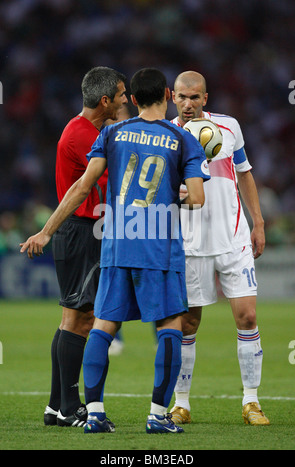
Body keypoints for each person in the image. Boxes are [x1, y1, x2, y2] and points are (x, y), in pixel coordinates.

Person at [20, 67, 210, 434]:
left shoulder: (111, 134)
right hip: (159, 246)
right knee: (171, 325)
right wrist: (175, 194)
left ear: (134, 99)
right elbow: (197, 199)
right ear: (169, 96)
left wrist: (46, 230)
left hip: (116, 243)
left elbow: (81, 187)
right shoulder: (182, 137)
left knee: (103, 325)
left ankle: (92, 413)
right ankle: (157, 416)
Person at [169, 71, 269, 426]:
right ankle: (181, 403)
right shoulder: (166, 136)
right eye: (182, 97)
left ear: (205, 99)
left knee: (248, 317)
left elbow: (244, 173)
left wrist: (257, 222)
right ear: (171, 97)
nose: (188, 103)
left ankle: (252, 402)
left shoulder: (229, 127)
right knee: (188, 323)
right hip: (190, 242)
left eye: (195, 97)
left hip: (233, 238)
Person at [40, 66, 128, 427]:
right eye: (122, 95)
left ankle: (55, 405)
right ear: (105, 100)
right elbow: (108, 183)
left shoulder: (87, 130)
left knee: (70, 319)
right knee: (82, 320)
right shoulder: (81, 135)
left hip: (81, 231)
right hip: (82, 231)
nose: (126, 101)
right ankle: (70, 405)